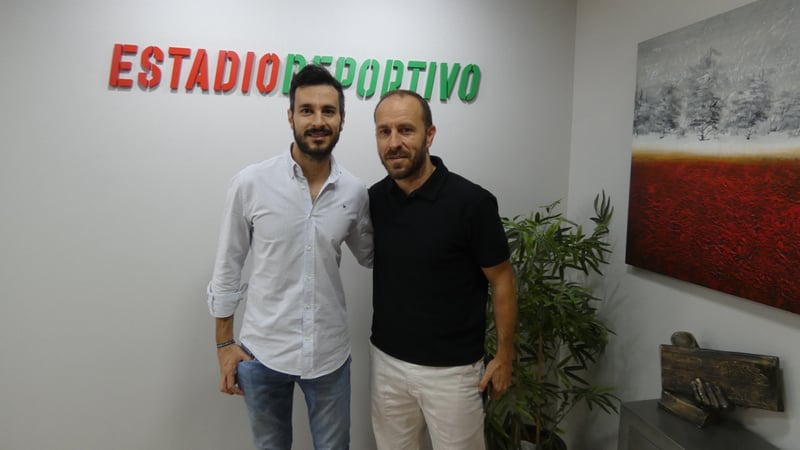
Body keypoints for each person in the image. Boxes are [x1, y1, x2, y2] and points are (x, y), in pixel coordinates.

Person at [206, 64, 373, 450]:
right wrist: (224, 345)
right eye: (307, 110)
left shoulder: (355, 192)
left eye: (328, 111)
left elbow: (371, 256)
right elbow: (228, 266)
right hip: (262, 354)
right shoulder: (251, 183)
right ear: (290, 116)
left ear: (342, 120)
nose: (318, 121)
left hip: (329, 357)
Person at [368, 89, 517, 450]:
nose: (394, 142)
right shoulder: (373, 199)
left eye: (406, 130)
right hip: (387, 364)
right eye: (384, 131)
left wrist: (504, 356)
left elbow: (502, 280)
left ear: (429, 134)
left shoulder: (472, 203)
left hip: (454, 374)